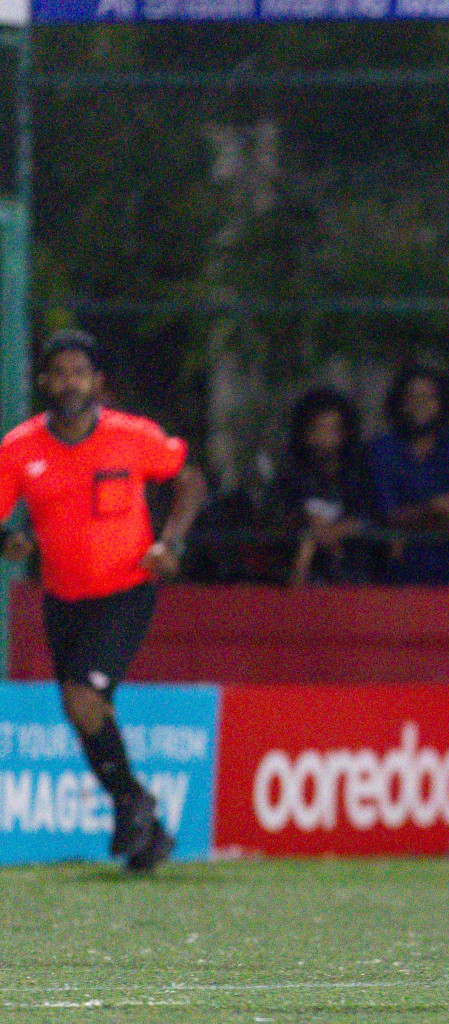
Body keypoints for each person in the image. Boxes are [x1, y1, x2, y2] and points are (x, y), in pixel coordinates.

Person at [0, 330, 206, 873]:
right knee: (83, 710)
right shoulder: (19, 447)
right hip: (62, 597)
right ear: (43, 382)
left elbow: (189, 479)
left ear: (98, 383)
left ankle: (133, 806)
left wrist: (172, 540)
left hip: (126, 590)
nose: (70, 382)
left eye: (80, 372)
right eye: (59, 372)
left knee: (82, 700)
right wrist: (8, 542)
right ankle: (144, 827)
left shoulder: (132, 436)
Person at [369, 364, 449, 586]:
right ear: (401, 402)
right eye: (413, 397)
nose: (420, 404)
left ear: (442, 402)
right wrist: (436, 507)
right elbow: (388, 515)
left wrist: (413, 516)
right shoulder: (383, 450)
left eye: (428, 397)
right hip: (401, 571)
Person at [274, 387, 379, 587]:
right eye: (318, 429)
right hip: (300, 580)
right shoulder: (292, 476)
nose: (326, 438)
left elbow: (368, 517)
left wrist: (333, 533)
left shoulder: (358, 474)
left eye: (333, 429)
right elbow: (280, 516)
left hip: (353, 578)